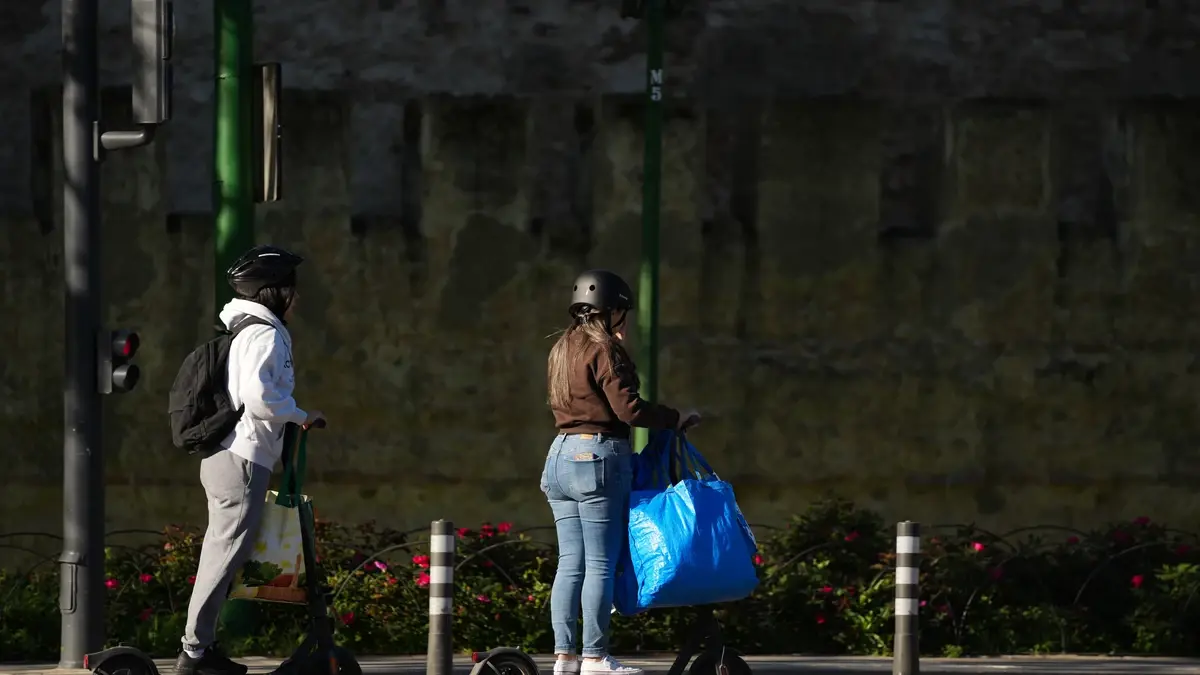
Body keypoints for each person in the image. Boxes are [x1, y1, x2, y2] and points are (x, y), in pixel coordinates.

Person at [176, 245, 325, 675]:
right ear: (273, 292)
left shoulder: (247, 329)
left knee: (223, 554)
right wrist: (301, 415)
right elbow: (260, 398)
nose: (296, 299)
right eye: (291, 291)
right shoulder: (264, 333)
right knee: (223, 556)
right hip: (241, 460)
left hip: (231, 457)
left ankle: (201, 649)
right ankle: (194, 654)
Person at [542, 269, 700, 675]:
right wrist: (675, 417)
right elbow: (630, 409)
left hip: (559, 457)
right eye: (622, 312)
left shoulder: (560, 349)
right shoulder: (605, 351)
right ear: (610, 311)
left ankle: (564, 657)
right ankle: (594, 656)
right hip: (597, 457)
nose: (624, 321)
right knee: (599, 562)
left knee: (570, 562)